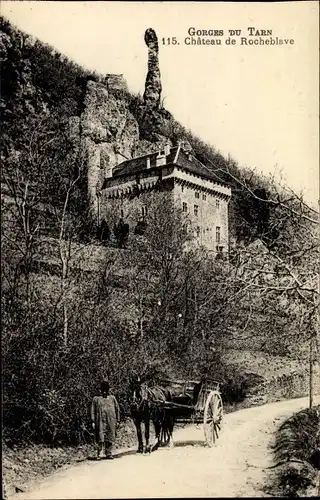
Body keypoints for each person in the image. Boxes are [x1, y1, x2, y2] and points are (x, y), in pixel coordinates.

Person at [91, 380, 120, 459]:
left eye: (106, 391)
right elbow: (93, 410)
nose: (104, 393)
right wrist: (93, 421)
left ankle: (108, 453)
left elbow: (117, 409)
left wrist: (118, 420)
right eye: (103, 391)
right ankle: (99, 453)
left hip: (111, 421)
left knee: (110, 436)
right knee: (100, 437)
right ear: (100, 390)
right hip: (100, 421)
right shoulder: (96, 399)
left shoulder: (112, 398)